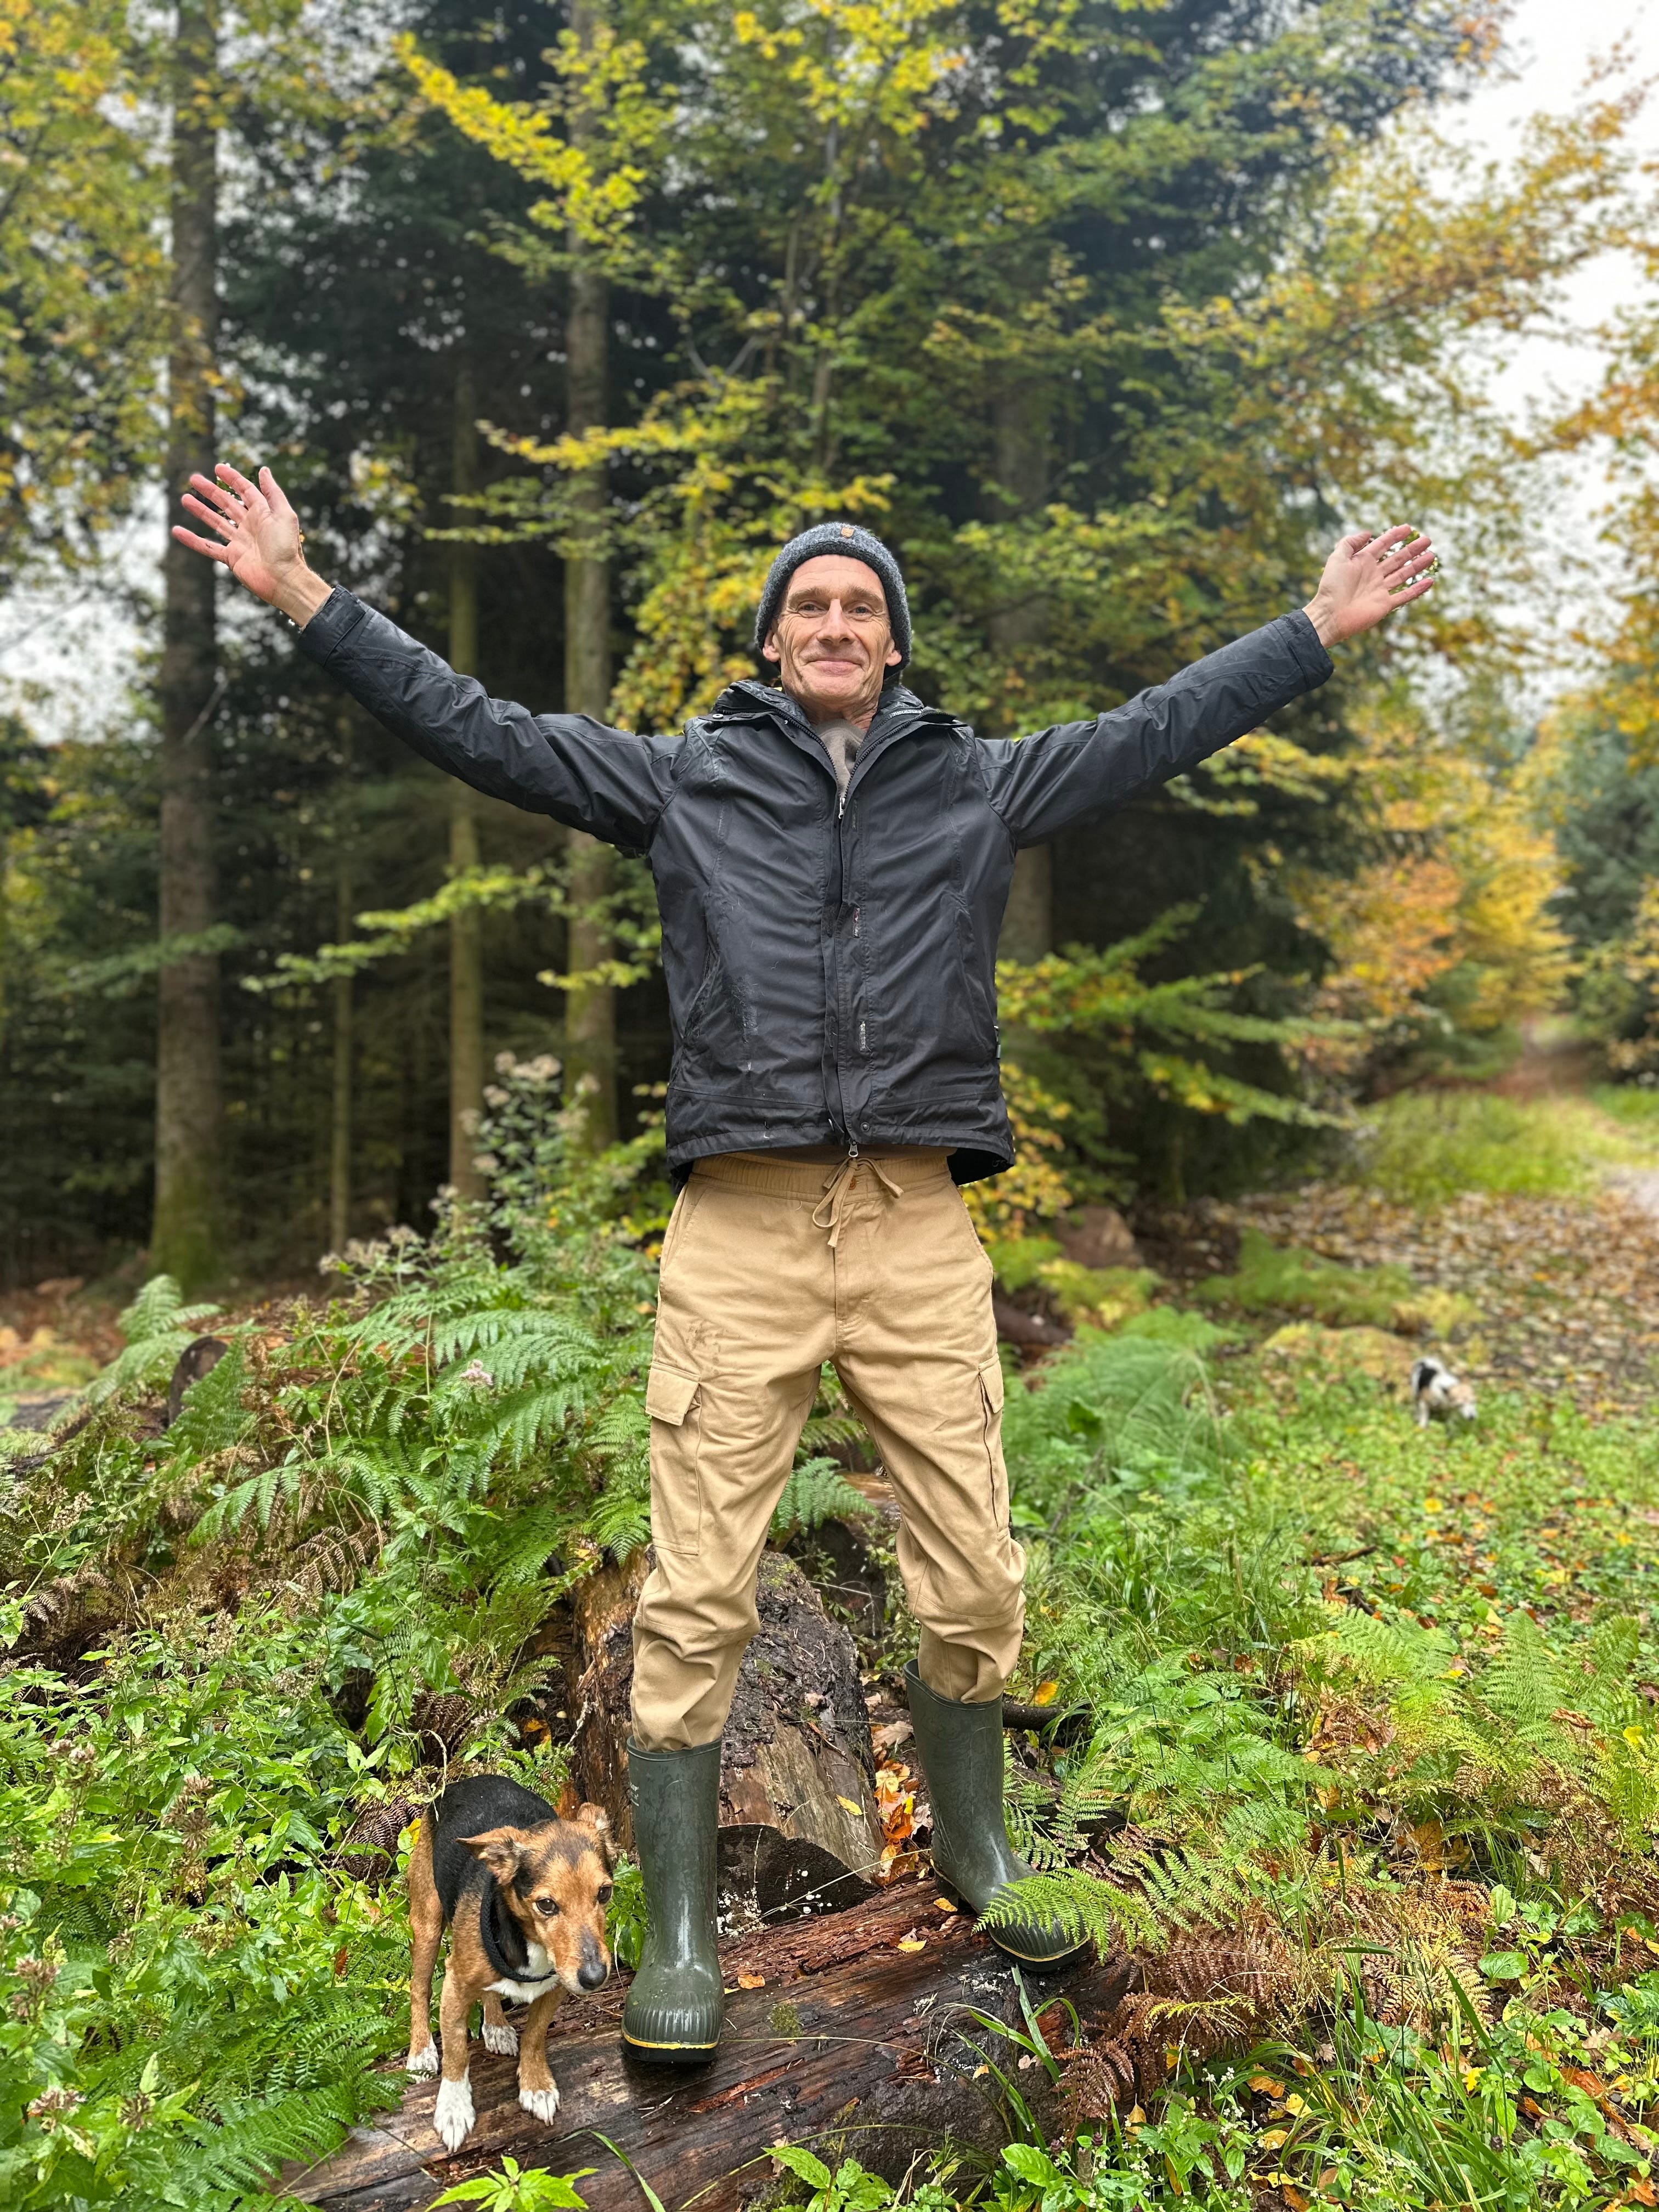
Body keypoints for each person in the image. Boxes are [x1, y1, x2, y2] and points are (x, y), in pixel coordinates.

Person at [174, 464, 1435, 2056]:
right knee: (697, 1588)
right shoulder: (685, 780)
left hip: (915, 1223)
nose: (836, 623)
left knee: (975, 1567)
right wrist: (305, 597)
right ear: (774, 642)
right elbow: (480, 727)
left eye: (862, 606)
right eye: (810, 605)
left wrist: (1315, 627)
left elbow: (1156, 729)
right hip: (742, 1229)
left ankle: (978, 1853)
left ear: (893, 644)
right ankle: (679, 1935)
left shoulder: (978, 783)